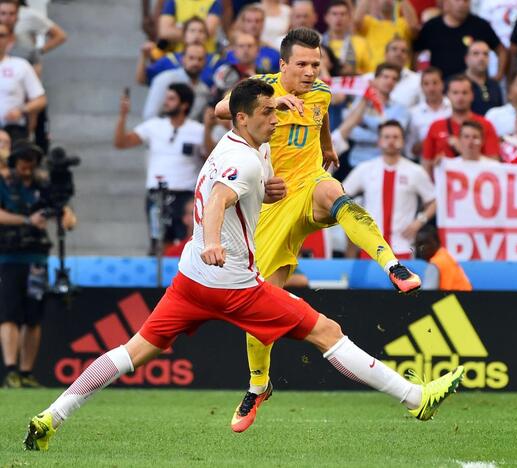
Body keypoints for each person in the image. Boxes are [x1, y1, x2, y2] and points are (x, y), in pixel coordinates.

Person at [23, 79, 464, 451]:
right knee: (326, 332)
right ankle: (415, 397)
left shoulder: (234, 146)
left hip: (190, 281)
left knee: (129, 352)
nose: (276, 119)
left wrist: (258, 199)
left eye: (275, 110)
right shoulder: (245, 160)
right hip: (234, 286)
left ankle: (50, 417)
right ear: (242, 119)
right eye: (267, 113)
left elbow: (230, 189)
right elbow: (218, 199)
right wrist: (214, 240)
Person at [214, 29, 424, 431]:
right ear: (283, 65)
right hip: (272, 203)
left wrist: (327, 147)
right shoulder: (259, 90)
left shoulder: (322, 93)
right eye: (303, 64)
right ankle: (259, 386)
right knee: (261, 305)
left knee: (335, 194)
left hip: (309, 185)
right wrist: (273, 101)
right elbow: (222, 109)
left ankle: (392, 263)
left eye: (316, 63)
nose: (311, 72)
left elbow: (320, 114)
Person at [0, 143, 76, 388]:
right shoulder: (4, 183)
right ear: (14, 161)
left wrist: (66, 217)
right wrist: (27, 220)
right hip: (8, 257)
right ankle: (11, 370)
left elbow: (63, 209)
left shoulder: (43, 184)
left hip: (37, 260)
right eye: (23, 160)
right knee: (9, 314)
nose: (27, 165)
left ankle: (26, 372)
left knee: (33, 317)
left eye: (32, 160)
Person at [116, 83, 205, 255]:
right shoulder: (153, 126)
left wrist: (208, 129)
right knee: (159, 243)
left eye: (172, 99)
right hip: (157, 195)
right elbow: (121, 142)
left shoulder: (198, 130)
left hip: (186, 196)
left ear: (184, 104)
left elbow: (209, 154)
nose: (166, 102)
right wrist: (122, 116)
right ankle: (163, 280)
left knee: (189, 242)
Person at [343, 120, 436, 259]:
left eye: (395, 137)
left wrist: (419, 221)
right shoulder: (365, 169)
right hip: (371, 246)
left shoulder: (415, 171)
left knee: (403, 280)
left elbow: (434, 201)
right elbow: (341, 194)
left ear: (403, 141)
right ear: (379, 141)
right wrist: (355, 223)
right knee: (371, 281)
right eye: (386, 137)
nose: (391, 141)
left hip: (403, 245)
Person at [421, 75, 500, 173]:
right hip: (445, 185)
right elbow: (426, 164)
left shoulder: (486, 125)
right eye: (455, 93)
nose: (460, 97)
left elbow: (494, 163)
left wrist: (464, 150)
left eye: (465, 93)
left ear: (472, 95)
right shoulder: (436, 126)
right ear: (447, 95)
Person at [413, 0, 505, 79]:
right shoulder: (432, 27)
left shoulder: (480, 25)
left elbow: (501, 51)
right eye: (457, 0)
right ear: (447, 2)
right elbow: (415, 52)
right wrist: (418, 78)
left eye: (466, 1)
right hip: (441, 88)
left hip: (473, 89)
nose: (462, 4)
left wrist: (498, 75)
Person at [344, 63, 410, 169]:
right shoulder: (361, 103)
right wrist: (383, 135)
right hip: (358, 161)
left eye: (394, 79)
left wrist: (365, 123)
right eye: (385, 77)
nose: (390, 81)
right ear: (375, 79)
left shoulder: (401, 109)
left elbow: (396, 134)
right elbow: (350, 131)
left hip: (387, 164)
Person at [143, 43, 211, 121]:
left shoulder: (204, 90)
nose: (196, 63)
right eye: (191, 58)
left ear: (205, 62)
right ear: (182, 59)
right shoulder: (165, 79)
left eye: (200, 59)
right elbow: (150, 116)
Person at [0, 22, 45, 137]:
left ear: (10, 39)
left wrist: (21, 110)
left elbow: (40, 99)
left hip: (12, 128)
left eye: (1, 35)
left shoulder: (20, 65)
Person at [353, 0, 419, 70]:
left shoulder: (403, 23)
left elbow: (413, 27)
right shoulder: (369, 23)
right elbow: (356, 21)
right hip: (374, 73)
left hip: (401, 73)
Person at [406, 67, 451, 159]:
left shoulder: (453, 108)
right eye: (426, 84)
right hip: (424, 163)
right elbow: (409, 150)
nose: (431, 88)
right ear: (421, 87)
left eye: (435, 83)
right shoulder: (413, 113)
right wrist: (424, 144)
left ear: (442, 84)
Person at [415, 224, 473, 291]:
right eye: (418, 244)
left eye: (426, 243)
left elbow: (426, 296)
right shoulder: (445, 256)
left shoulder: (435, 264)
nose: (422, 248)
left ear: (437, 242)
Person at [322, 0, 373, 76]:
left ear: (349, 17)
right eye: (334, 14)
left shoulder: (361, 43)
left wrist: (354, 72)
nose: (339, 18)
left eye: (343, 14)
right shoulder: (318, 43)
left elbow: (370, 73)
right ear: (326, 18)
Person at [157, 0, 222, 53]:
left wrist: (181, 30)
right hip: (177, 55)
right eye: (192, 31)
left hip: (206, 56)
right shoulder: (173, 1)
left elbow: (209, 31)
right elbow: (164, 32)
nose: (196, 35)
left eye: (200, 31)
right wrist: (196, 34)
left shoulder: (213, 2)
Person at [465, 40, 503, 116]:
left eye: (486, 54)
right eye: (476, 54)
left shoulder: (494, 85)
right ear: (467, 59)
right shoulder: (456, 83)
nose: (481, 58)